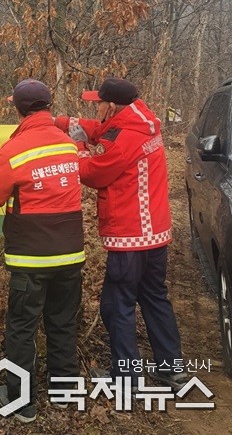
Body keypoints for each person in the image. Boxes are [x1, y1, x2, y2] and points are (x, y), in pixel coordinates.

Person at [54, 77, 187, 392]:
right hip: (155, 234)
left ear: (111, 106)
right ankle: (171, 369)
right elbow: (102, 129)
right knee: (154, 297)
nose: (96, 108)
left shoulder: (123, 138)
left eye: (99, 103)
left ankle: (126, 378)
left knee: (117, 305)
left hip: (130, 236)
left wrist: (77, 146)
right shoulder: (142, 121)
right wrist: (62, 122)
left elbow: (92, 173)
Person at [0, 79, 86, 423]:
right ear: (48, 105)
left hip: (30, 257)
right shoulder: (68, 145)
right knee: (62, 322)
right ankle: (65, 392)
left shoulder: (13, 150)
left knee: (22, 327)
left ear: (18, 109)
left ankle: (21, 400)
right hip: (70, 253)